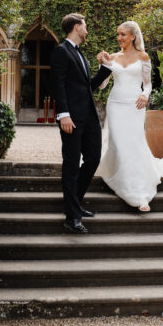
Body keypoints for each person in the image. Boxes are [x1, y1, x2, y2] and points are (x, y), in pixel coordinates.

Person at [95, 20, 163, 211]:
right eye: (118, 34)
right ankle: (129, 189)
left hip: (135, 106)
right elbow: (102, 85)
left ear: (133, 36)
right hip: (115, 104)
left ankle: (140, 193)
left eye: (123, 34)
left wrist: (145, 95)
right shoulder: (112, 57)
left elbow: (147, 84)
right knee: (119, 144)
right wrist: (102, 65)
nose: (119, 38)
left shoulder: (143, 57)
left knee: (134, 143)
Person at [50, 13, 113, 234]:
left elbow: (88, 87)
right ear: (77, 27)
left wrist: (106, 69)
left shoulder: (81, 55)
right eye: (85, 26)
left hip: (89, 117)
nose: (87, 30)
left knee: (94, 157)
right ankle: (72, 217)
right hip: (71, 119)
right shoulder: (61, 51)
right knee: (71, 163)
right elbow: (58, 85)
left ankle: (75, 203)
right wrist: (63, 114)